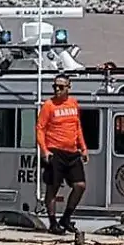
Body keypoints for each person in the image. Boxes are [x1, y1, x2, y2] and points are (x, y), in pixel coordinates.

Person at [36, 74, 88, 234]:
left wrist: (83, 148)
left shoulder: (73, 103)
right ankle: (52, 222)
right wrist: (44, 151)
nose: (57, 90)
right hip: (55, 152)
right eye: (55, 87)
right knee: (53, 187)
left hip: (72, 152)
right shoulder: (49, 105)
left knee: (80, 186)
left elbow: (77, 126)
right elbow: (40, 129)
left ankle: (66, 218)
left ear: (68, 88)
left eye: (61, 87)